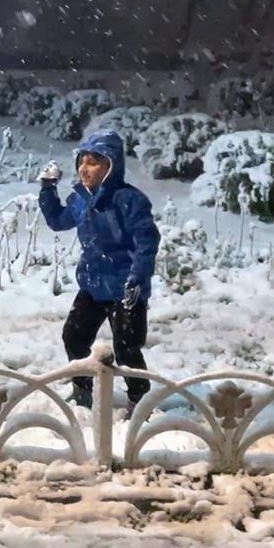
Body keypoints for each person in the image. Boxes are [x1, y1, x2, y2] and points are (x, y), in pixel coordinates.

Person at [37, 129, 159, 414]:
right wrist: (47, 188)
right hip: (93, 285)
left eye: (93, 162)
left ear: (111, 166)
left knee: (127, 348)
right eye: (82, 161)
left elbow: (147, 242)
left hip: (126, 288)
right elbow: (57, 221)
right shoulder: (81, 200)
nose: (84, 168)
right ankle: (83, 392)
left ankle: (140, 403)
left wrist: (137, 280)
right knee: (74, 337)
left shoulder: (129, 200)